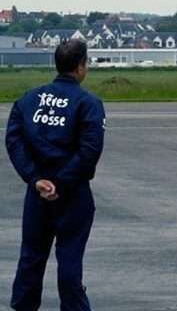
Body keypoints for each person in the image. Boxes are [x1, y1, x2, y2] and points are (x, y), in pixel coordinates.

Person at [5, 39, 106, 311]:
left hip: (37, 194)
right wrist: (61, 182)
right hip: (72, 195)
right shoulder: (88, 104)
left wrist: (35, 178)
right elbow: (89, 151)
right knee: (70, 262)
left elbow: (14, 141)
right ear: (80, 66)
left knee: (31, 259)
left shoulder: (28, 100)